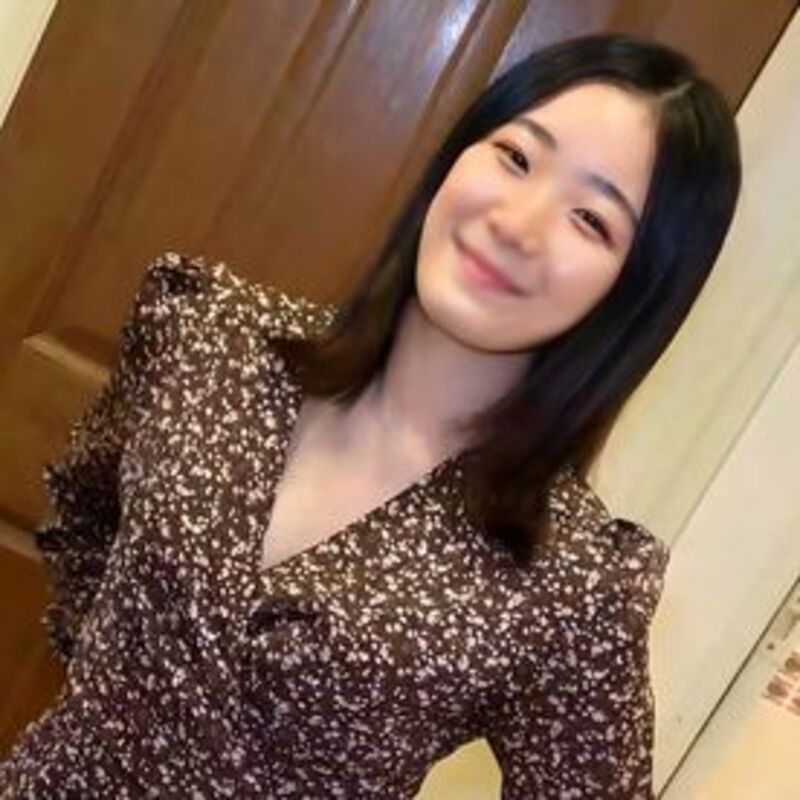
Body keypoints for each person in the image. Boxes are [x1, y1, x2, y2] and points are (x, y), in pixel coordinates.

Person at [0, 32, 740, 799]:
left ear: (636, 290)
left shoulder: (572, 578)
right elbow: (85, 510)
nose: (517, 224)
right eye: (516, 157)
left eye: (590, 219)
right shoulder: (212, 339)